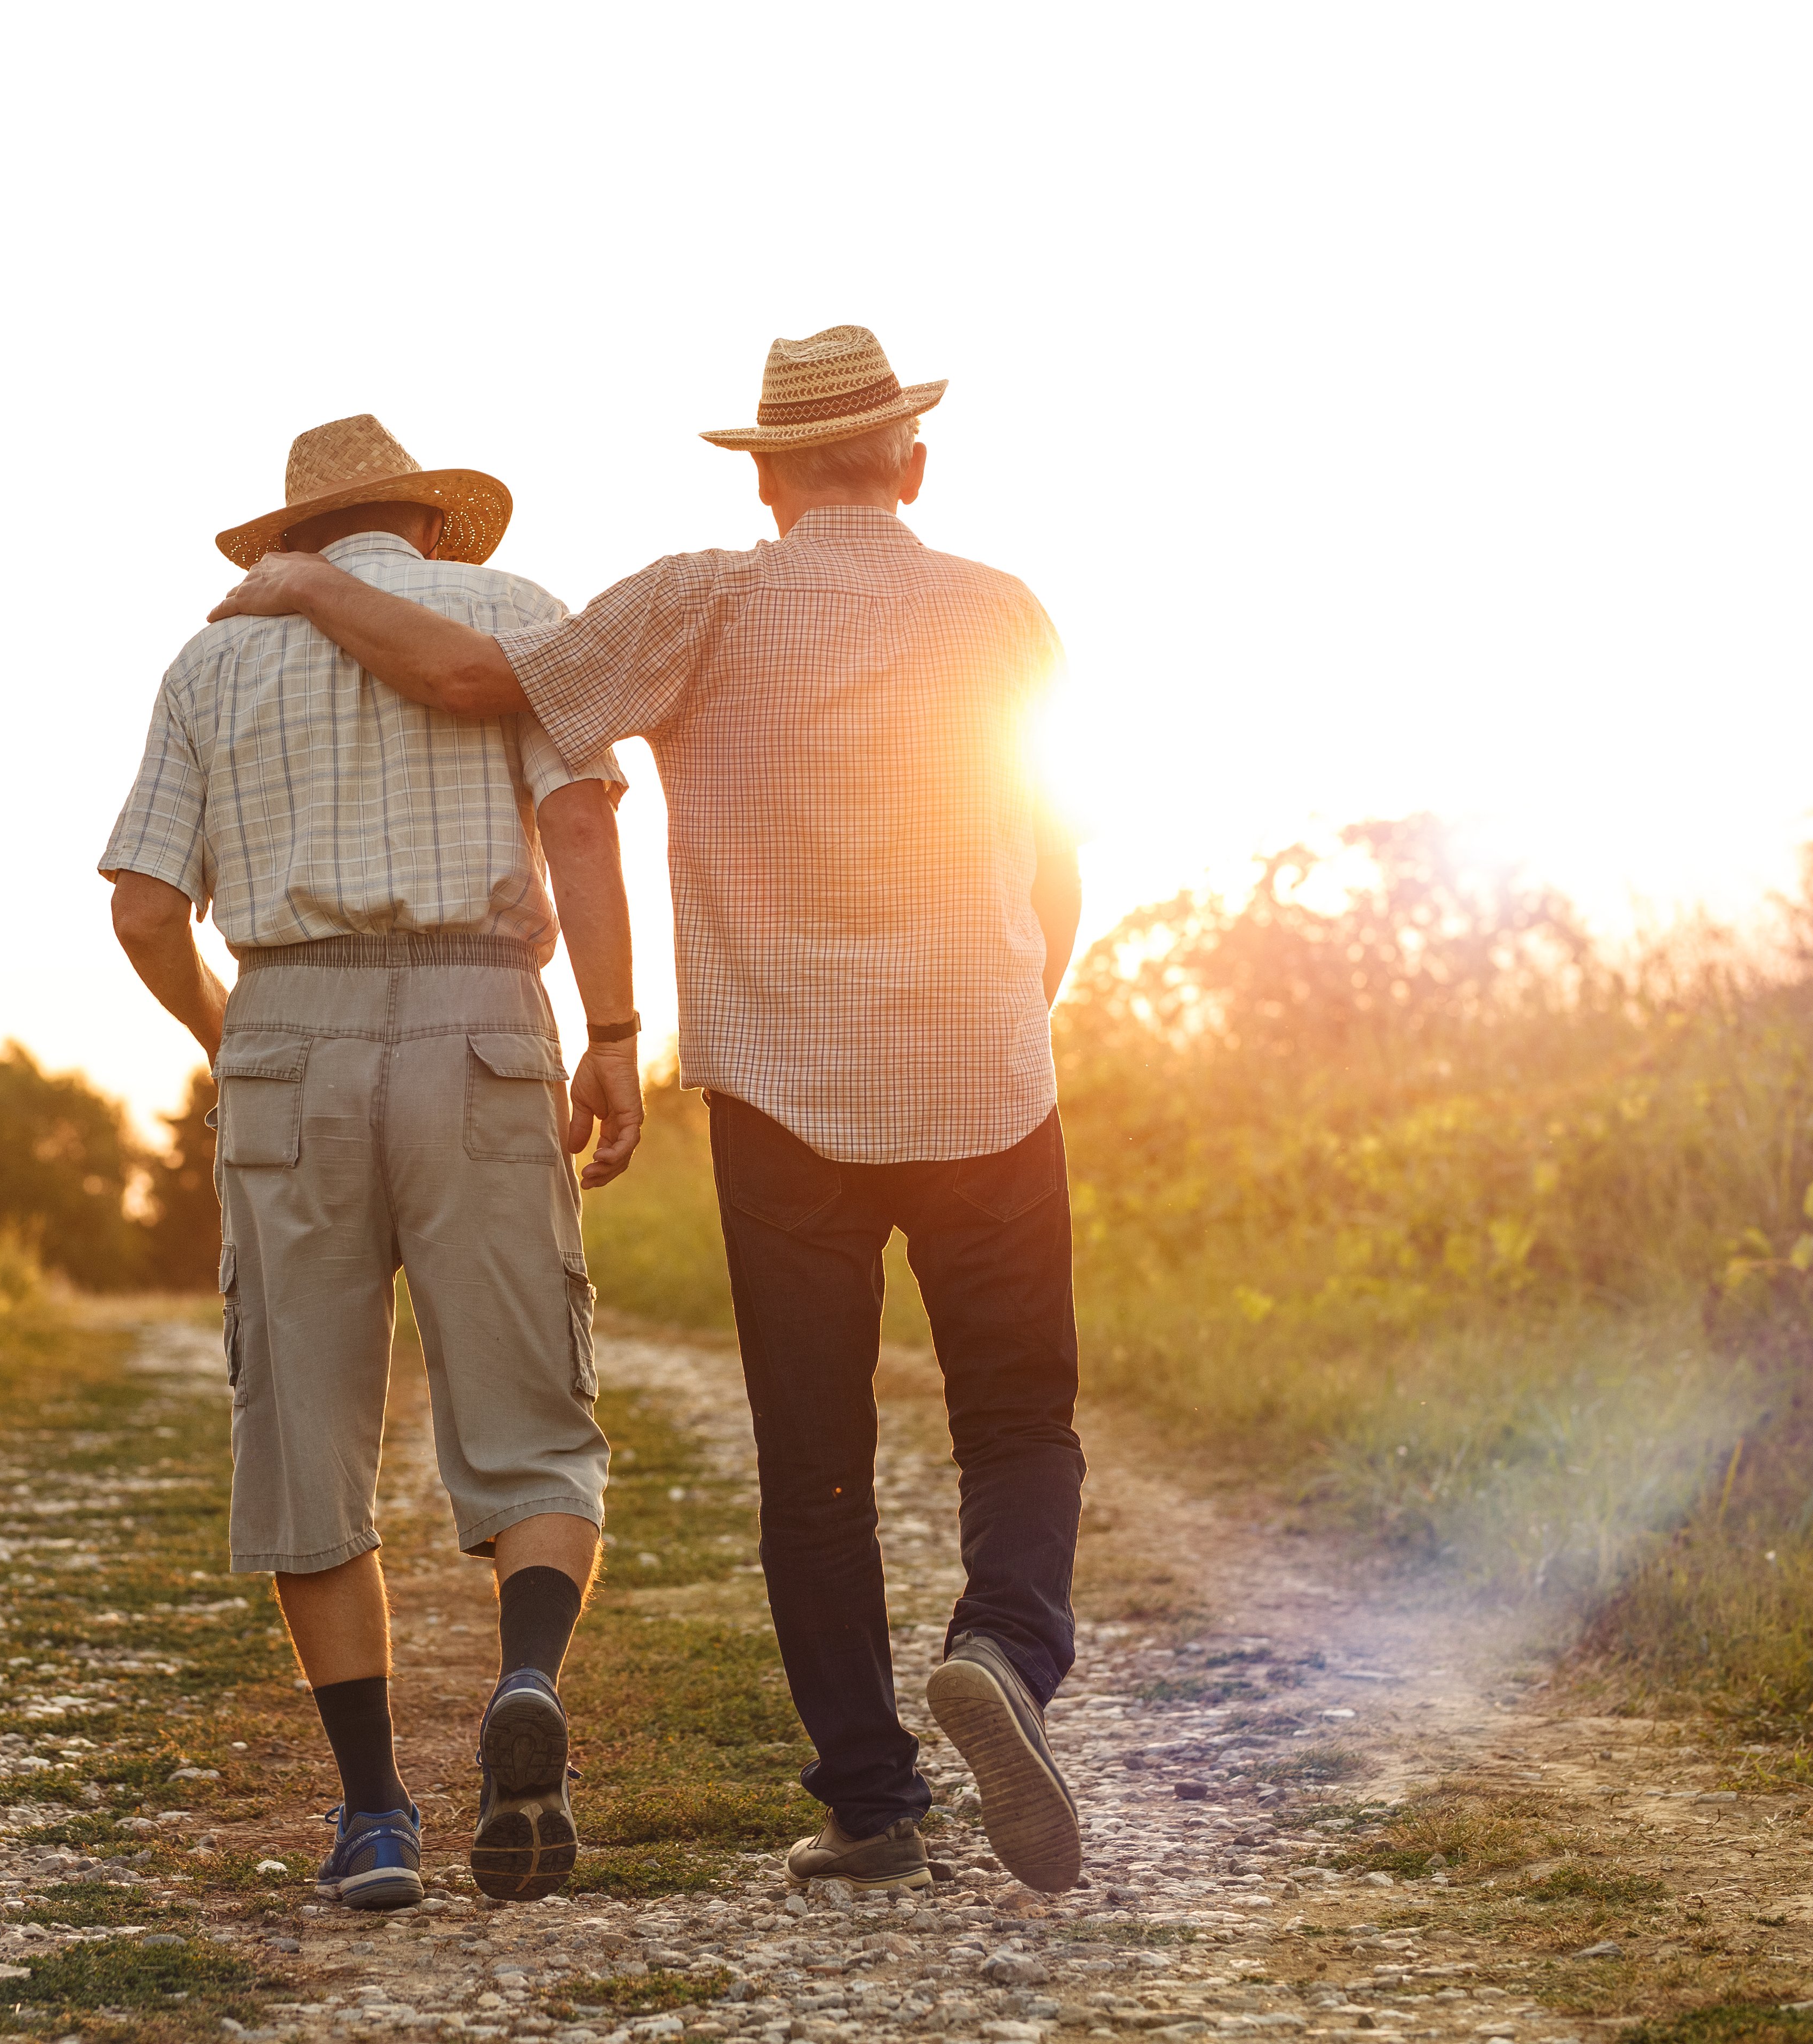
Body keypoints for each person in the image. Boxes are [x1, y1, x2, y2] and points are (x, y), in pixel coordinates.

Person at [201, 329, 1090, 1897]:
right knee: (1018, 1418)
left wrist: (311, 586)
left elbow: (478, 682)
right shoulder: (1003, 612)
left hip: (784, 1097)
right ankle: (1005, 1649)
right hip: (991, 1080)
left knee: (813, 1457)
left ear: (760, 475)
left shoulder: (705, 601)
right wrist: (1020, 1003)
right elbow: (1052, 848)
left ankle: (873, 1803)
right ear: (916, 463)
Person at [101, 414, 648, 1911]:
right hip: (484, 1017)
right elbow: (585, 830)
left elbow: (145, 908)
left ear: (295, 538)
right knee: (537, 1423)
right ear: (426, 522)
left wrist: (235, 1033)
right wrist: (611, 1029)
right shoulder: (522, 617)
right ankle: (522, 1679)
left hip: (290, 1027)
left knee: (308, 1438)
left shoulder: (213, 659)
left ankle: (371, 1821)